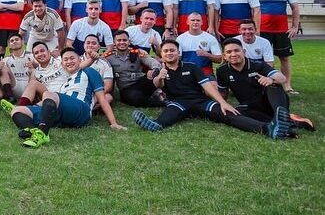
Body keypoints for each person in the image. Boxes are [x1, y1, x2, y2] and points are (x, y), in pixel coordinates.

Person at [132, 39, 291, 140]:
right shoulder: (160, 69)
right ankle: (156, 125)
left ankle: (268, 129)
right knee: (168, 114)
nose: (169, 53)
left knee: (230, 114)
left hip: (201, 102)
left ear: (178, 53)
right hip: (178, 103)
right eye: (166, 51)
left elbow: (206, 85)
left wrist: (222, 102)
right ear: (162, 54)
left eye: (172, 50)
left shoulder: (192, 67)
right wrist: (160, 76)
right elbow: (157, 85)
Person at [10, 46, 126, 148]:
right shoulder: (66, 80)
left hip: (81, 109)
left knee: (48, 94)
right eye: (65, 60)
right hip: (63, 113)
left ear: (79, 60)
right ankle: (32, 131)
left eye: (72, 58)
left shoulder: (89, 71)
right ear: (62, 64)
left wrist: (113, 123)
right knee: (18, 110)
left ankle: (42, 133)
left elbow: (102, 98)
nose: (69, 61)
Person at [216, 38, 312, 133]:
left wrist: (270, 80)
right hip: (249, 106)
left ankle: (281, 115)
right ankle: (288, 121)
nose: (233, 54)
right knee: (236, 112)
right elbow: (223, 92)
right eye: (229, 52)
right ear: (224, 56)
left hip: (270, 103)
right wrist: (221, 104)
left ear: (244, 52)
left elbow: (282, 78)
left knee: (274, 85)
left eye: (237, 50)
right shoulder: (221, 70)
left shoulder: (258, 65)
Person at [254, 0, 300, 94]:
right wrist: (255, 28)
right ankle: (261, 84)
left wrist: (295, 26)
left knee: (284, 58)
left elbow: (295, 8)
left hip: (281, 31)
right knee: (261, 59)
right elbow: (253, 10)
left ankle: (287, 86)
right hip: (261, 31)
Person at [104, 30, 163, 107]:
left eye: (124, 40)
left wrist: (155, 70)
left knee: (161, 75)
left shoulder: (137, 53)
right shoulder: (109, 57)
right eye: (119, 40)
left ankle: (164, 94)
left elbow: (152, 62)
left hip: (141, 83)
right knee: (135, 98)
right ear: (114, 42)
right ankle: (163, 103)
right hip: (126, 88)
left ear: (129, 41)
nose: (122, 42)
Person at [0, 34, 34, 101]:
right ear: (9, 45)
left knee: (34, 70)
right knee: (3, 68)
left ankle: (33, 96)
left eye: (17, 39)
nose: (14, 42)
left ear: (22, 42)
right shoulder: (6, 59)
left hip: (30, 86)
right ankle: (10, 97)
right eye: (12, 41)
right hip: (14, 85)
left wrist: (35, 65)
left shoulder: (32, 56)